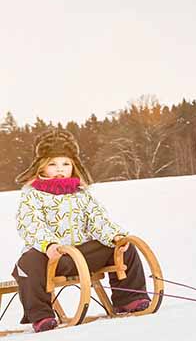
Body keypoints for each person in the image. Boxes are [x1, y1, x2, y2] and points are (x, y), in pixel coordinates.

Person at [11, 129, 150, 333]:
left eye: (65, 164)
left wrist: (115, 235)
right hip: (54, 258)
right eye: (53, 164)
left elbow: (98, 220)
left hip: (83, 255)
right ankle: (41, 316)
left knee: (123, 247)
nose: (60, 169)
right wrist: (49, 245)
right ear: (41, 167)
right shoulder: (33, 196)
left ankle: (129, 298)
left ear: (74, 166)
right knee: (27, 263)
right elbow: (31, 224)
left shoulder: (82, 195)